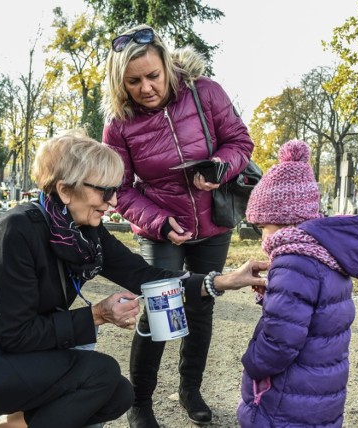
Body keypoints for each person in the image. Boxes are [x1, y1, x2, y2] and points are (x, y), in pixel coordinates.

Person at [0, 130, 268, 428]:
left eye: (116, 190)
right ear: (64, 190)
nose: (114, 202)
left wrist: (222, 281)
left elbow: (145, 275)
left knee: (117, 394)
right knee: (100, 374)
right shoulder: (17, 231)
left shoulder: (84, 232)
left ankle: (10, 425)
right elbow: (17, 334)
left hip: (7, 351)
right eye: (105, 191)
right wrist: (98, 315)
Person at [102, 24, 255, 427]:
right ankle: (140, 403)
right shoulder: (119, 123)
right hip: (160, 226)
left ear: (168, 66)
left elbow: (239, 141)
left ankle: (190, 390)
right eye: (133, 81)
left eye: (153, 76)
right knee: (158, 310)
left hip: (213, 223)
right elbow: (119, 188)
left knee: (200, 305)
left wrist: (220, 168)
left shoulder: (206, 92)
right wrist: (157, 222)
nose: (146, 88)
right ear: (121, 82)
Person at [236, 140, 358, 427]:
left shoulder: (292, 260)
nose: (263, 236)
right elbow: (313, 313)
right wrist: (272, 297)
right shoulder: (326, 253)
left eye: (263, 226)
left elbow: (281, 338)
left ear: (282, 220)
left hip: (287, 399)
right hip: (319, 393)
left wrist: (253, 364)